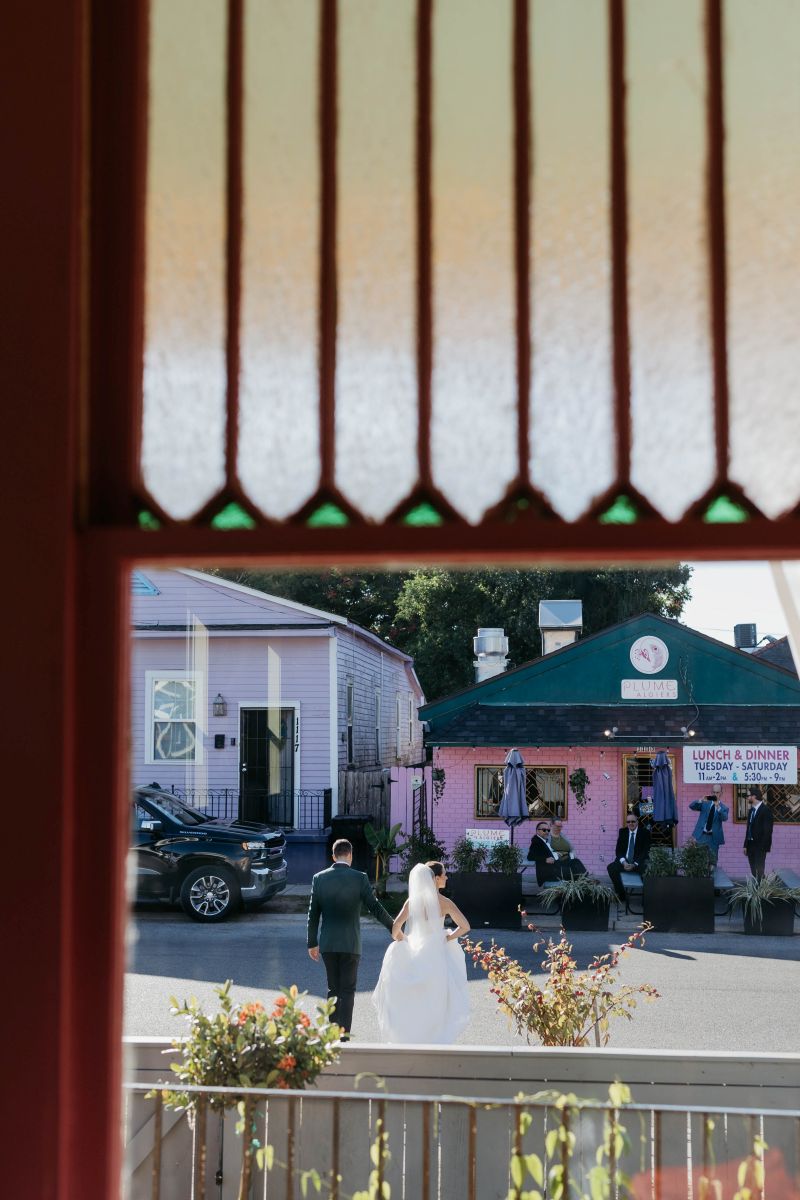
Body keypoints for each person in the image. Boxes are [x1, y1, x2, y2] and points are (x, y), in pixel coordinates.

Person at [372, 861, 471, 1044]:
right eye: (444, 874)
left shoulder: (412, 902)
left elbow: (395, 930)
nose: (447, 877)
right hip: (437, 954)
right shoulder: (445, 903)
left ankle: (412, 1036)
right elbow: (465, 926)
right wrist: (447, 938)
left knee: (416, 998)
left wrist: (406, 940)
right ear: (435, 878)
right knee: (437, 998)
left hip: (415, 951)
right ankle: (435, 1038)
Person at [307, 838, 396, 1038]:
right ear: (350, 855)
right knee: (347, 989)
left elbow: (313, 914)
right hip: (351, 943)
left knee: (333, 988)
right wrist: (393, 927)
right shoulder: (360, 878)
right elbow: (375, 907)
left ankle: (332, 1030)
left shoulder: (319, 878)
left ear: (333, 856)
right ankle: (344, 1033)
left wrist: (312, 942)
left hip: (328, 943)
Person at [607, 813, 651, 904]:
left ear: (637, 822)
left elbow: (645, 852)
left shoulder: (645, 833)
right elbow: (618, 851)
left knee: (648, 871)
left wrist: (635, 864)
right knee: (611, 868)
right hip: (625, 862)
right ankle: (621, 894)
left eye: (633, 821)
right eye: (628, 822)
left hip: (638, 863)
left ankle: (646, 899)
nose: (630, 823)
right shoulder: (622, 832)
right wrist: (624, 863)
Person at [527, 820, 587, 885]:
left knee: (575, 861)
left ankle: (584, 880)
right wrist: (545, 859)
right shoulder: (536, 842)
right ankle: (584, 883)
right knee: (574, 870)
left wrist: (555, 854)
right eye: (544, 830)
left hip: (556, 867)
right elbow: (530, 856)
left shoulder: (543, 840)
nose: (547, 832)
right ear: (537, 831)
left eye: (548, 830)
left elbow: (545, 852)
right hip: (549, 873)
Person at [689, 787, 728, 865]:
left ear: (721, 793)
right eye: (713, 792)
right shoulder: (705, 803)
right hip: (701, 835)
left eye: (717, 792)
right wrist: (700, 800)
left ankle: (712, 876)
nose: (715, 794)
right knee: (698, 860)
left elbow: (724, 818)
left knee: (713, 861)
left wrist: (718, 807)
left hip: (713, 838)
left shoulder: (724, 807)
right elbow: (692, 806)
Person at [743, 786, 773, 879]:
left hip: (760, 846)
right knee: (753, 870)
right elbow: (748, 829)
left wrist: (762, 847)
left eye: (749, 796)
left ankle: (760, 891)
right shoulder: (751, 810)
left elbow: (768, 831)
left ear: (754, 796)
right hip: (750, 844)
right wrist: (745, 845)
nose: (748, 798)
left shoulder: (766, 810)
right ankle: (760, 887)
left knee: (759, 870)